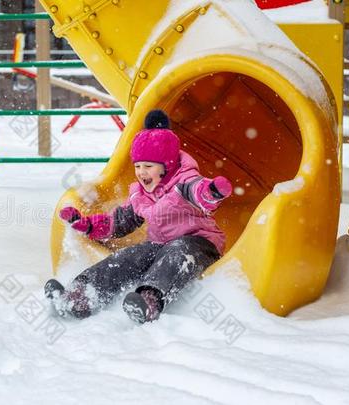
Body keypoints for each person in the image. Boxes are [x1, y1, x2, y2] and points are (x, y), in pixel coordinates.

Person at [44, 110, 232, 324]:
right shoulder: (141, 195)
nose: (141, 172)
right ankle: (82, 295)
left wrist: (212, 191)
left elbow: (200, 192)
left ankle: (150, 302)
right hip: (160, 244)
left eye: (148, 166)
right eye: (138, 166)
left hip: (200, 244)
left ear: (167, 166)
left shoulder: (185, 182)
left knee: (177, 251)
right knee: (130, 256)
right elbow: (119, 222)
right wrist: (86, 225)